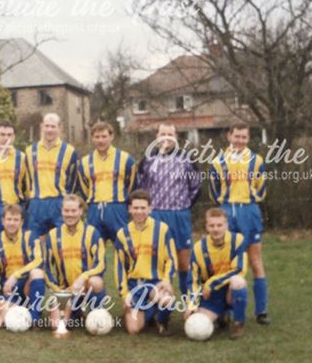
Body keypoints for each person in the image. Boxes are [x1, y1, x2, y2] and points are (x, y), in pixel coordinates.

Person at [208, 124, 270, 325]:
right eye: (237, 136)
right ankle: (226, 310)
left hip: (249, 212)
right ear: (229, 136)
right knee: (227, 263)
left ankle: (261, 311)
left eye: (244, 137)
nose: (240, 140)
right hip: (227, 211)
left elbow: (262, 187)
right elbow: (214, 190)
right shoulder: (217, 162)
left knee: (255, 261)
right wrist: (227, 203)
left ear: (248, 138)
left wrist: (250, 199)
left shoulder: (256, 160)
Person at [136, 122, 201, 303]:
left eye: (170, 134)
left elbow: (196, 188)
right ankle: (156, 307)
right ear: (156, 136)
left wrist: (183, 205)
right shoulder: (147, 160)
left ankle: (189, 303)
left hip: (179, 215)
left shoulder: (187, 159)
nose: (166, 138)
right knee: (157, 262)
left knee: (183, 262)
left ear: (176, 137)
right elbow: (140, 189)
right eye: (162, 134)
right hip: (156, 216)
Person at [114, 189, 178, 336]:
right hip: (135, 286)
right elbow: (119, 268)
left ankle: (161, 321)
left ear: (150, 208)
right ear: (129, 209)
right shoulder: (122, 234)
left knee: (167, 300)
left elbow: (171, 259)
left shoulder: (162, 229)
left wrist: (167, 280)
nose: (139, 211)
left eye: (143, 208)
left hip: (156, 283)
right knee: (133, 330)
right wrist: (124, 294)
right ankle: (148, 312)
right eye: (135, 208)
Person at [185, 208, 249, 339]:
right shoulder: (198, 248)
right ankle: (222, 316)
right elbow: (194, 280)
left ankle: (239, 323)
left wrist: (212, 283)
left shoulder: (238, 240)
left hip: (229, 290)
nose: (216, 229)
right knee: (195, 321)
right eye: (212, 225)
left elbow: (239, 269)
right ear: (206, 227)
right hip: (211, 296)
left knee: (238, 281)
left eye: (219, 225)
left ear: (226, 225)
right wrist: (192, 305)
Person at [46, 194, 107, 328]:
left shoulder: (92, 233)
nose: (70, 214)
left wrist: (83, 277)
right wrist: (57, 290)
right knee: (55, 325)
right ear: (61, 211)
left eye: (73, 211)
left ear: (80, 211)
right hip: (65, 290)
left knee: (96, 282)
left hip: (85, 287)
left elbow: (101, 264)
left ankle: (96, 313)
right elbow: (46, 268)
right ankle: (75, 313)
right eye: (66, 211)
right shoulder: (53, 235)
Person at [0, 204, 49, 328]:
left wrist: (16, 275)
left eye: (16, 220)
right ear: (3, 221)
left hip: (26, 285)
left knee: (37, 273)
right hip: (9, 289)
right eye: (9, 219)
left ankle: (35, 318)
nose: (12, 223)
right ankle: (21, 310)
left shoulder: (30, 237)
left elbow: (39, 260)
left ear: (22, 222)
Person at [77, 121, 137, 244]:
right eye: (97, 137)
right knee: (93, 248)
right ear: (92, 138)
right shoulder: (84, 162)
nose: (101, 140)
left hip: (117, 208)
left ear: (111, 137)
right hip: (95, 209)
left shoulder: (126, 159)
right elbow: (84, 188)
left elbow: (132, 184)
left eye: (104, 136)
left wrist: (126, 204)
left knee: (123, 247)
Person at [24, 113, 78, 239]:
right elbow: (26, 179)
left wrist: (67, 198)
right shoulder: (30, 151)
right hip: (37, 202)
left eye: (53, 127)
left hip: (59, 202)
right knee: (34, 242)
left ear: (60, 128)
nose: (49, 130)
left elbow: (73, 180)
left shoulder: (69, 151)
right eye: (47, 126)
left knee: (61, 242)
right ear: (41, 126)